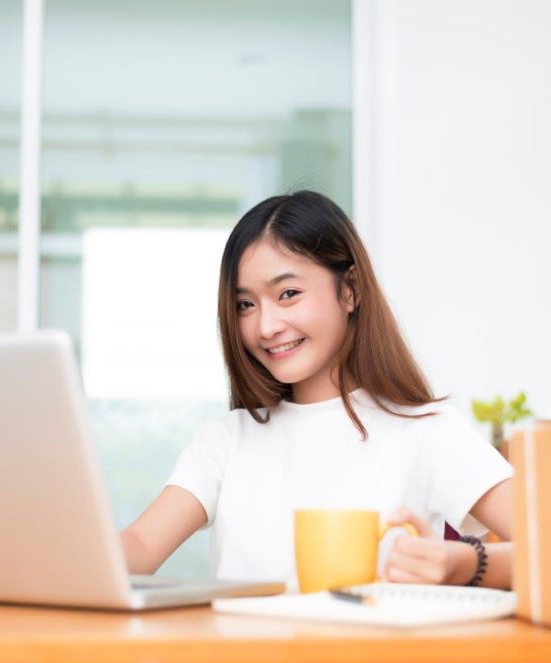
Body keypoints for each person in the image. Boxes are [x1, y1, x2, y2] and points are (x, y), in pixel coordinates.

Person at [120, 190, 513, 589]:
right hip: (244, 652)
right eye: (245, 305)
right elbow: (139, 545)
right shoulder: (226, 441)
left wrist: (465, 563)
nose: (265, 326)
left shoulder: (426, 430)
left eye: (287, 294)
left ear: (350, 290)